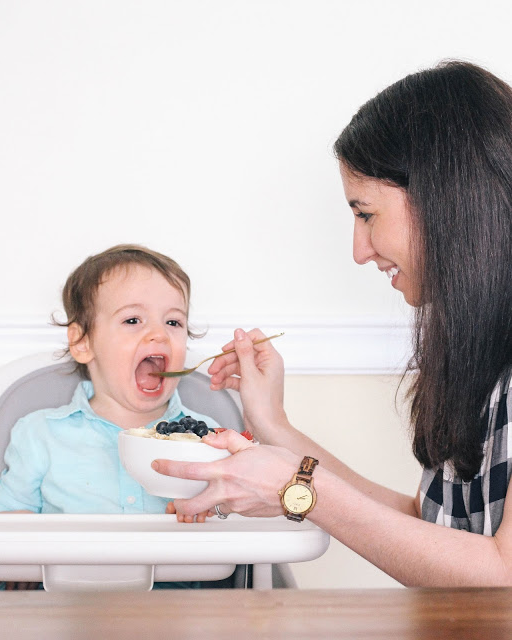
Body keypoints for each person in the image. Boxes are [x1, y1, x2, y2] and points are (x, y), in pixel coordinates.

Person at [152, 61, 512, 587]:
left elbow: (501, 574)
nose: (359, 251)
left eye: (365, 214)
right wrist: (274, 426)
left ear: (446, 200)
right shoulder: (483, 356)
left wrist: (298, 488)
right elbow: (432, 531)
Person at [0, 244, 218, 523]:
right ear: (82, 343)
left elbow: (238, 523)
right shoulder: (40, 435)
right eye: (133, 320)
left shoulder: (211, 440)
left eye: (173, 322)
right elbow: (2, 528)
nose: (159, 334)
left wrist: (214, 511)